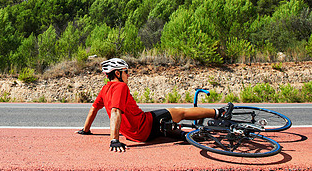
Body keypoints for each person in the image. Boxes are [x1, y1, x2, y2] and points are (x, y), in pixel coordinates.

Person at [76, 58, 234, 152]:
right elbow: (116, 111)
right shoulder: (121, 86)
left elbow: (93, 109)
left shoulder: (105, 89)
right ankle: (219, 112)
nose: (128, 75)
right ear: (117, 73)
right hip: (144, 126)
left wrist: (86, 130)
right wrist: (114, 140)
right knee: (180, 112)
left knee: (165, 125)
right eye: (126, 71)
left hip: (133, 134)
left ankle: (182, 135)